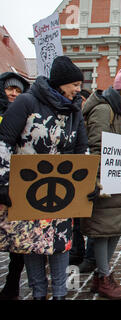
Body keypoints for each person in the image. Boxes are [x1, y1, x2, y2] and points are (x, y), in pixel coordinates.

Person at [0, 56, 91, 300]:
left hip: (63, 188)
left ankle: (60, 294)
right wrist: (2, 183)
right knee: (32, 243)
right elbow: (4, 142)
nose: (77, 90)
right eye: (74, 85)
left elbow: (82, 149)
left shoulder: (74, 111)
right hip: (28, 186)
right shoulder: (26, 102)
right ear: (60, 84)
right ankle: (39, 293)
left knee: (60, 242)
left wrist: (88, 184)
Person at [82, 67, 121, 299]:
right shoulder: (103, 110)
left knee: (117, 227)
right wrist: (97, 179)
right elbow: (97, 145)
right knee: (102, 231)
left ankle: (102, 275)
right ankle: (104, 277)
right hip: (105, 182)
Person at [0, 72, 30, 300]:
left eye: (18, 91)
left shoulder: (24, 114)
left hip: (16, 184)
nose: (13, 94)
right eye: (10, 89)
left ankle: (12, 285)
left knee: (16, 241)